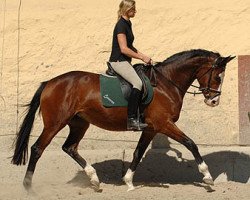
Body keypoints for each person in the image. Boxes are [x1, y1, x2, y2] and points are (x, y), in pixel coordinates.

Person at [109, 0, 151, 131]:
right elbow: (124, 49)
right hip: (118, 61)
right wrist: (141, 57)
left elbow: (130, 46)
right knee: (138, 83)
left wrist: (145, 56)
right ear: (127, 9)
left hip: (125, 61)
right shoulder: (121, 25)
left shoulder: (127, 23)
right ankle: (131, 119)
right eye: (133, 9)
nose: (135, 11)